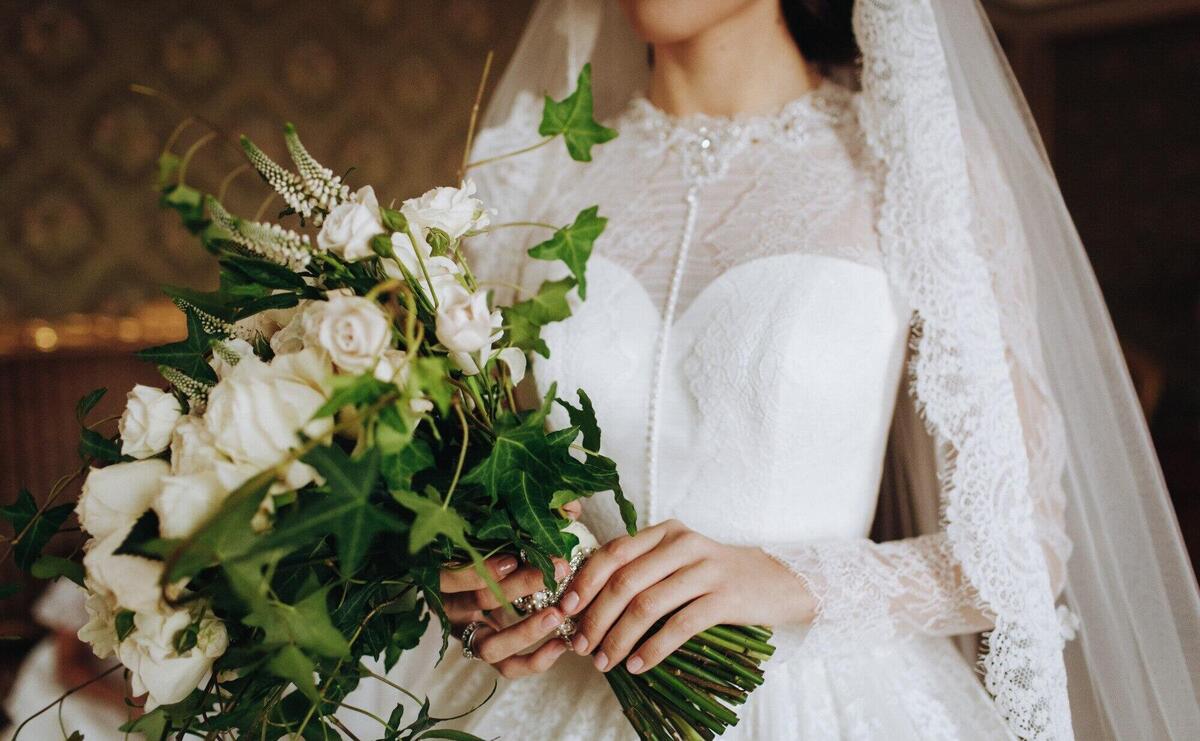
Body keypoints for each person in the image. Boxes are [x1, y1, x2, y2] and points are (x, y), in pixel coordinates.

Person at [344, 1, 1200, 738]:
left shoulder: (917, 165)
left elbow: (1024, 547)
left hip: (819, 698)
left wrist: (788, 575)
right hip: (540, 694)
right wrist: (477, 566)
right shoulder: (530, 169)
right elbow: (454, 463)